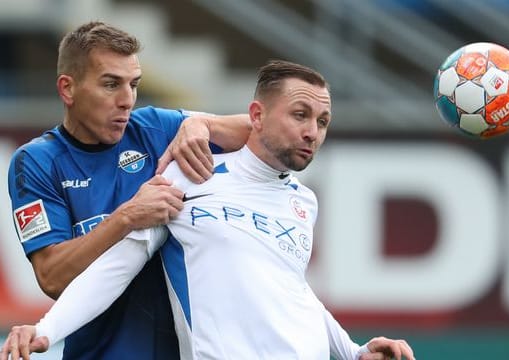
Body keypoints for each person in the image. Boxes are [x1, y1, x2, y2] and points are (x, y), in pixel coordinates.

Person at [2, 60, 415, 360]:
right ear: (256, 115)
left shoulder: (303, 200)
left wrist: (353, 350)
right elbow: (115, 268)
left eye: (323, 121)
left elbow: (291, 290)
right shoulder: (190, 175)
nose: (312, 132)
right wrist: (46, 330)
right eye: (300, 115)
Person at [4, 21, 251, 359]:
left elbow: (266, 135)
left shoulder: (155, 127)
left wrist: (202, 124)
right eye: (111, 84)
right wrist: (127, 217)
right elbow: (53, 277)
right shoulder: (36, 162)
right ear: (67, 89)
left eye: (133, 84)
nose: (127, 100)